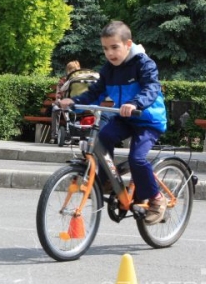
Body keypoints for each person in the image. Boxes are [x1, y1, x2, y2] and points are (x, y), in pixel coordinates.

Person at [57, 20, 168, 224]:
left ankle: (156, 199)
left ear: (128, 44)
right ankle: (108, 181)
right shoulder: (109, 69)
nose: (110, 53)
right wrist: (74, 101)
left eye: (115, 47)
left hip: (147, 120)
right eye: (106, 49)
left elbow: (151, 88)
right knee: (104, 137)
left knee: (137, 159)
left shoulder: (144, 63)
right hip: (125, 117)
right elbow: (96, 93)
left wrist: (135, 104)